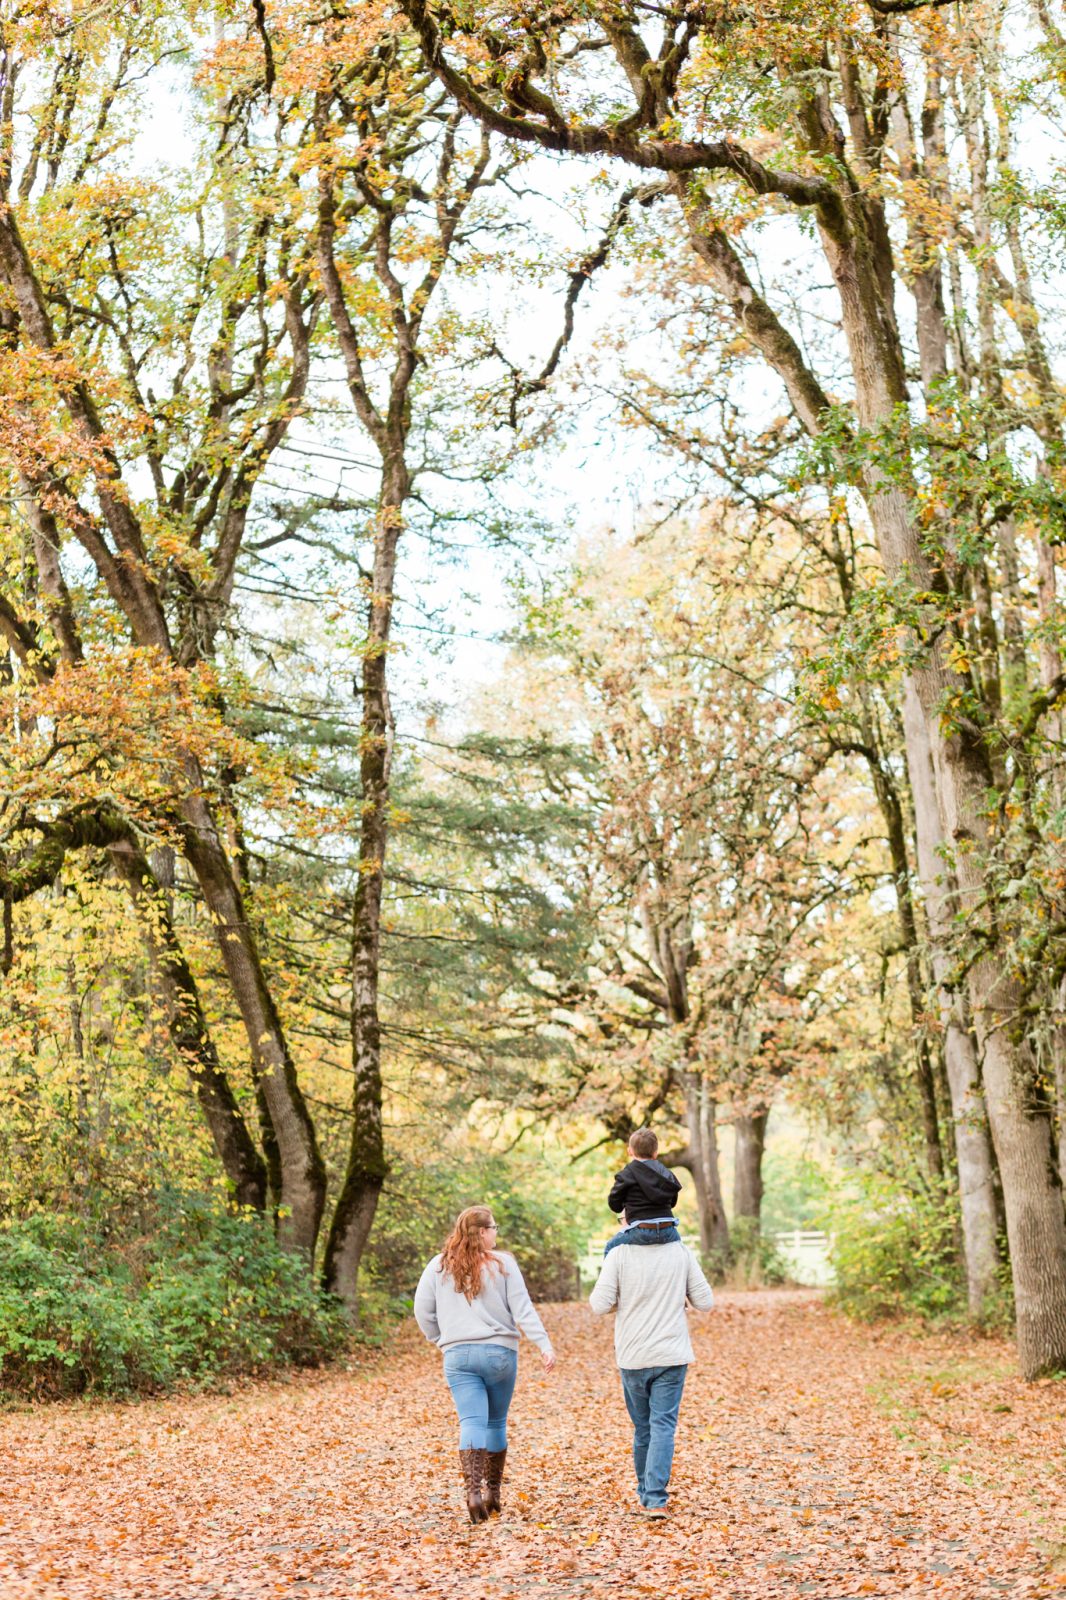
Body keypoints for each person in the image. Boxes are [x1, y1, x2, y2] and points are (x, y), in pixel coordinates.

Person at [414, 1205, 556, 1523]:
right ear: (482, 1232)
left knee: (471, 1423)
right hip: (499, 1355)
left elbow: (422, 1311)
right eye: (493, 1227)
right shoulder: (503, 1264)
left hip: (458, 1357)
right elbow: (522, 1310)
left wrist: (440, 1340)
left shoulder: (437, 1267)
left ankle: (472, 1494)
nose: (496, 1232)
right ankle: (493, 1492)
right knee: (495, 1423)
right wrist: (543, 1344)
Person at [589, 1222, 713, 1518]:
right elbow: (705, 1302)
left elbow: (599, 1305)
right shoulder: (680, 1252)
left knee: (644, 1427)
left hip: (634, 1354)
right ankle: (654, 1498)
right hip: (671, 1353)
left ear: (628, 1220)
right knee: (663, 1426)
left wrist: (625, 1300)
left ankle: (648, 1492)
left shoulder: (618, 1254)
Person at [603, 1127, 682, 1254]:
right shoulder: (666, 1174)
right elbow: (672, 1202)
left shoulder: (626, 1174)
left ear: (630, 1151)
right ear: (656, 1152)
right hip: (669, 1231)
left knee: (610, 1248)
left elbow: (614, 1204)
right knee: (683, 1252)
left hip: (640, 1232)